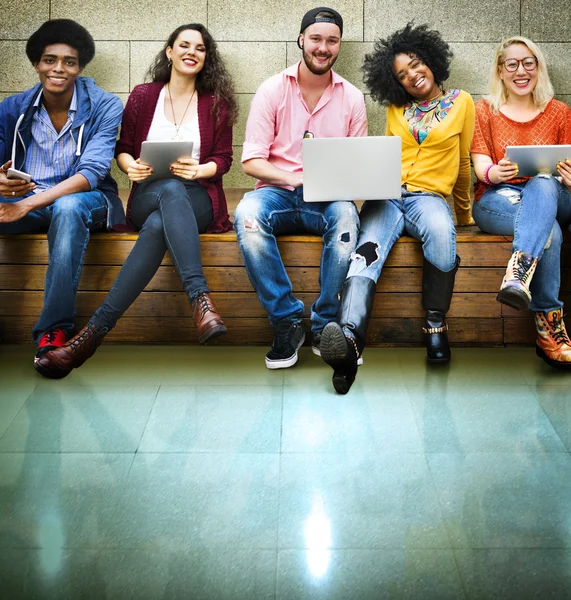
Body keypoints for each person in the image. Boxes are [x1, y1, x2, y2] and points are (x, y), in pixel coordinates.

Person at [35, 23, 237, 379]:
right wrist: (131, 167)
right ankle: (200, 300)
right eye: (184, 45)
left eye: (200, 48)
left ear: (207, 58)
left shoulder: (215, 102)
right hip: (148, 194)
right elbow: (122, 148)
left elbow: (223, 159)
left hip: (199, 199)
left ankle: (89, 337)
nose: (192, 52)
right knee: (166, 194)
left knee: (167, 211)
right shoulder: (145, 95)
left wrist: (200, 169)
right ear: (170, 52)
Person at [320, 23, 475, 394]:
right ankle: (348, 340)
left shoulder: (462, 102)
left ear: (432, 61)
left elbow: (465, 161)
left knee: (441, 233)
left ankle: (435, 324)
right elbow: (384, 157)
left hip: (429, 198)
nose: (412, 76)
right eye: (402, 75)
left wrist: (465, 213)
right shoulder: (395, 109)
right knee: (364, 254)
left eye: (416, 64)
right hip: (388, 196)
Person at [234, 7, 367, 370]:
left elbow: (357, 167)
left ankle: (325, 324)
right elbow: (251, 162)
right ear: (301, 40)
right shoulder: (272, 89)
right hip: (277, 192)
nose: (323, 48)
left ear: (339, 45)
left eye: (332, 41)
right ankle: (287, 321)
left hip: (326, 199)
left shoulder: (352, 98)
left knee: (346, 216)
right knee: (246, 214)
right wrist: (294, 178)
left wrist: (348, 183)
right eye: (316, 39)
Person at [0, 19, 124, 370]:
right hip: (27, 198)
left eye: (69, 61)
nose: (58, 69)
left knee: (67, 207)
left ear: (80, 66)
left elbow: (91, 173)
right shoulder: (13, 108)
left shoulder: (105, 106)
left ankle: (53, 332)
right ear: (37, 63)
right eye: (49, 60)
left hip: (89, 200)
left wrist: (23, 204)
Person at [470, 36, 571, 370]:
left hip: (556, 196)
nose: (521, 70)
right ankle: (550, 332)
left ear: (538, 68)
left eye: (529, 62)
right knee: (549, 232)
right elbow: (480, 164)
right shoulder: (485, 110)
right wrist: (494, 173)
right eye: (511, 63)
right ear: (500, 71)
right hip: (499, 199)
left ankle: (518, 273)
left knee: (544, 181)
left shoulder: (559, 113)